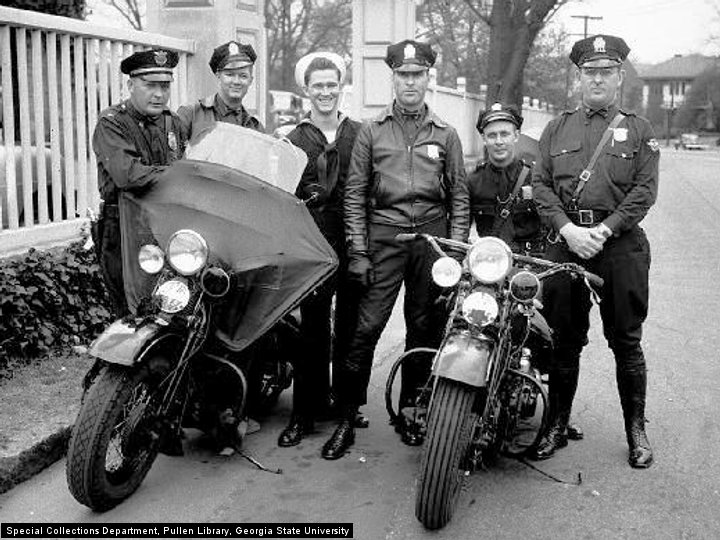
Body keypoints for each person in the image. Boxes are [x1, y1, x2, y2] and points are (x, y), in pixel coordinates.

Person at [322, 39, 470, 460]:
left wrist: (454, 255)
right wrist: (358, 251)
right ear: (394, 78)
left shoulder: (446, 134)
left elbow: (459, 197)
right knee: (365, 328)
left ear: (427, 78)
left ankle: (412, 411)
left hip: (431, 241)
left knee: (423, 328)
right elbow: (354, 194)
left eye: (417, 74)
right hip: (384, 236)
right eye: (403, 75)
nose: (410, 82)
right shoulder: (372, 131)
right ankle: (347, 417)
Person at [532, 35, 659, 468]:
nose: (598, 79)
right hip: (567, 243)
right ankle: (556, 424)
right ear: (579, 77)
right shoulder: (556, 128)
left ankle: (636, 431)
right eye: (590, 72)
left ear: (620, 76)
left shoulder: (639, 130)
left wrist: (603, 230)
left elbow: (644, 191)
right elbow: (541, 185)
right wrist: (567, 229)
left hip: (619, 246)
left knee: (626, 341)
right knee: (563, 339)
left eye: (606, 71)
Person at [276, 52, 362, 447]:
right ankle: (304, 413)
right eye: (318, 86)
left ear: (340, 87)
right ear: (306, 90)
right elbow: (283, 197)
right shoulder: (294, 140)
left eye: (332, 85)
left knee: (350, 327)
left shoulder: (360, 134)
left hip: (353, 241)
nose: (325, 92)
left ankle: (346, 408)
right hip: (313, 243)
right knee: (312, 329)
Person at [93, 48, 185, 317]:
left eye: (165, 86)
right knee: (132, 309)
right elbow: (129, 175)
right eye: (150, 85)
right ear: (131, 85)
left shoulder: (172, 122)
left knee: (171, 304)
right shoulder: (112, 123)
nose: (159, 94)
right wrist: (175, 177)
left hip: (165, 225)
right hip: (124, 226)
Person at [469, 102, 546, 255]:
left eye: (504, 134)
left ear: (516, 136)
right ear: (484, 139)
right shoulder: (473, 181)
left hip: (530, 260)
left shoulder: (535, 177)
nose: (499, 141)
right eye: (492, 135)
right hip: (492, 259)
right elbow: (462, 226)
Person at [177, 40, 263, 141]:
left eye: (243, 76)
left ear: (250, 80)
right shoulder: (191, 115)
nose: (236, 81)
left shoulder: (255, 127)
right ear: (218, 75)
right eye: (229, 75)